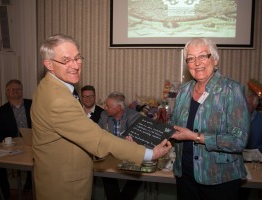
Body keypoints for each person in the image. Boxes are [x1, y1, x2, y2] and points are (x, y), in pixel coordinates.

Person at [31, 34, 171, 200]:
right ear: (49, 64)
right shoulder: (58, 99)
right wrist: (148, 154)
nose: (75, 65)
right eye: (66, 60)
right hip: (64, 187)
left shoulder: (50, 87)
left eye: (77, 58)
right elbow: (97, 139)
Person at [170, 38, 250, 200]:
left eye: (202, 56)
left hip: (219, 178)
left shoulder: (231, 90)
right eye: (191, 58)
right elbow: (175, 127)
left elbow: (238, 141)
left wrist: (195, 137)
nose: (197, 63)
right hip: (185, 175)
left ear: (215, 59)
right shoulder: (184, 90)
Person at [98, 91, 142, 200]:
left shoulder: (134, 116)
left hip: (129, 157)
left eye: (108, 106)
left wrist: (111, 140)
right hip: (109, 156)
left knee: (138, 175)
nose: (105, 108)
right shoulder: (104, 116)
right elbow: (98, 135)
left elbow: (134, 140)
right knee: (106, 174)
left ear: (118, 108)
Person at [0, 79, 33, 199]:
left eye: (19, 89)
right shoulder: (1, 111)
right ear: (7, 92)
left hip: (31, 143)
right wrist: (4, 144)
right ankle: (4, 194)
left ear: (22, 91)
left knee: (36, 163)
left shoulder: (32, 104)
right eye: (13, 89)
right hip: (12, 145)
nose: (16, 91)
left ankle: (30, 186)